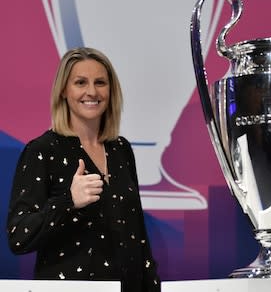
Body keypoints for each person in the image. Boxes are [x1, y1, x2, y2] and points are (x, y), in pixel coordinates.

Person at [6, 47, 161, 292]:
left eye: (100, 82)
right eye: (80, 82)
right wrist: (68, 201)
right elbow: (19, 236)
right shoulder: (43, 150)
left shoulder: (121, 149)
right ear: (64, 92)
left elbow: (138, 237)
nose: (92, 92)